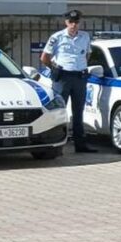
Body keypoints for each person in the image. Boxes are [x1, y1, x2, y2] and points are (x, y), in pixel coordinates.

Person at [40, 9, 95, 153]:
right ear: (66, 22)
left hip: (79, 77)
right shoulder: (57, 37)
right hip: (63, 78)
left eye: (76, 22)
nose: (73, 25)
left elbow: (87, 55)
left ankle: (80, 145)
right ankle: (56, 145)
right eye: (71, 22)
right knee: (58, 111)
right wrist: (54, 68)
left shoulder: (85, 36)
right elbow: (44, 57)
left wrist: (80, 66)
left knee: (78, 111)